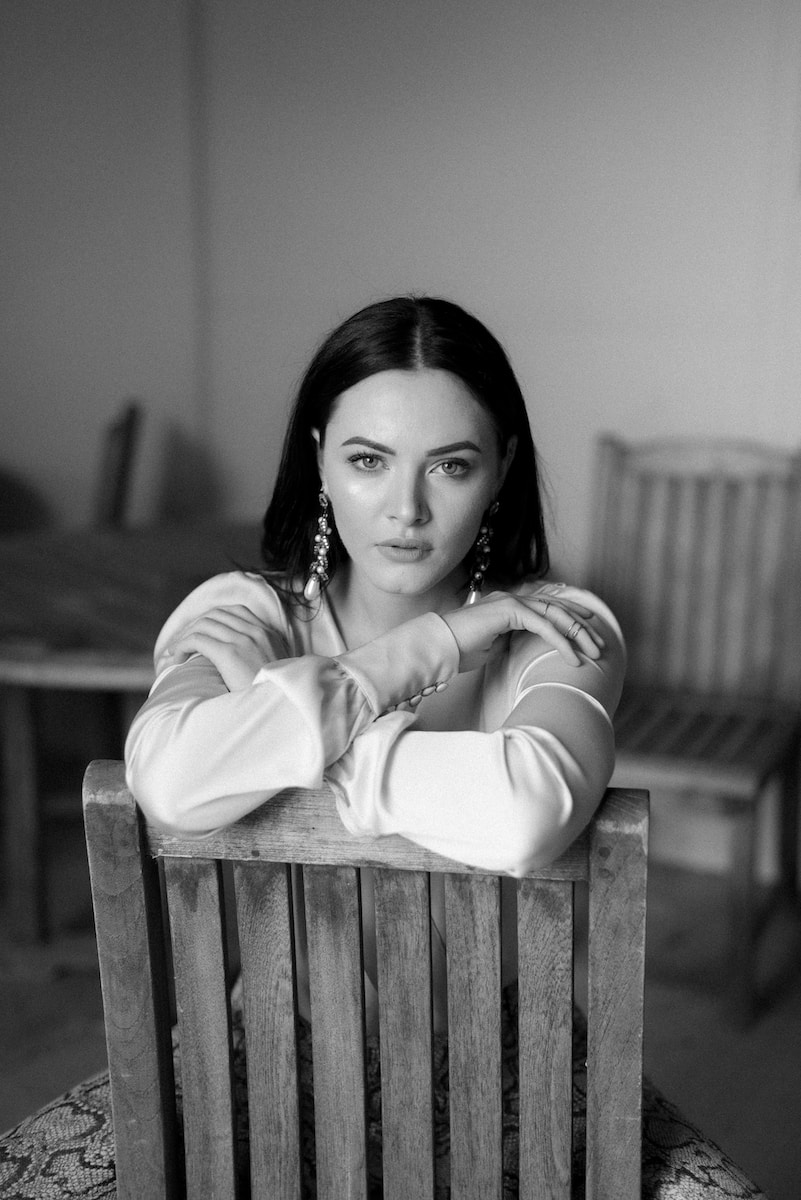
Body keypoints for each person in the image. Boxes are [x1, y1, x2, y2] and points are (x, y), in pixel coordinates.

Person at [124, 294, 625, 1027]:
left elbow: (525, 814)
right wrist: (427, 650)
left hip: (495, 1056)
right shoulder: (239, 614)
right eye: (367, 460)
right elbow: (169, 784)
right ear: (318, 458)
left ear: (500, 469)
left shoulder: (559, 625)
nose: (406, 510)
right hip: (263, 1050)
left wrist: (280, 714)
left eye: (450, 467)